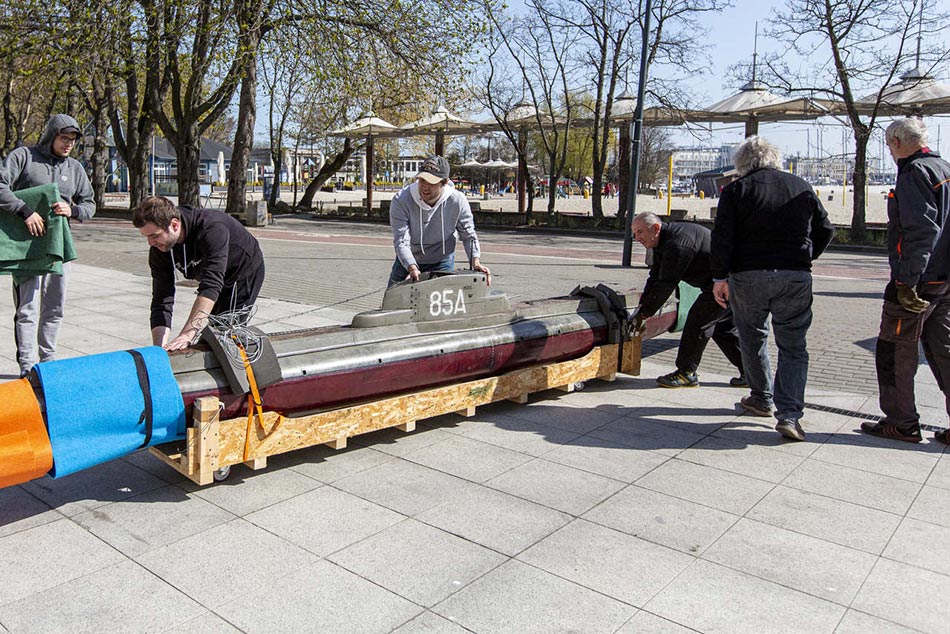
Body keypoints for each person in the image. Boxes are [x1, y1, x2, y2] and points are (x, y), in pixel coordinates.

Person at [711, 135, 834, 442]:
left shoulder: (736, 190)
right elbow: (826, 229)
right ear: (775, 159)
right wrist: (806, 256)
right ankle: (790, 415)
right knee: (793, 346)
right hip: (794, 275)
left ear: (741, 163)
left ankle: (761, 397)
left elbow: (722, 237)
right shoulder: (801, 186)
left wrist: (719, 277)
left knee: (752, 338)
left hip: (748, 274)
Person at [861, 118, 950, 445]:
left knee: (894, 350)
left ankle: (901, 422)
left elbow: (921, 231)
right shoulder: (944, 168)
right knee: (944, 351)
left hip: (919, 281)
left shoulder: (914, 173)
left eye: (888, 146)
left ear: (896, 143)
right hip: (944, 281)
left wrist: (906, 281)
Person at [0, 114, 95, 377]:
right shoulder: (24, 157)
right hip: (25, 248)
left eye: (73, 140)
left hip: (59, 247)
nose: (68, 145)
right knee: (27, 308)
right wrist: (25, 211)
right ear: (51, 135)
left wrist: (74, 210)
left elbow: (90, 203)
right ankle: (27, 368)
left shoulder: (75, 168)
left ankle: (49, 362)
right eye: (64, 138)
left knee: (55, 306)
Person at [132, 196, 265, 351]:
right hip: (212, 275)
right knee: (213, 328)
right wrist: (159, 349)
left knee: (224, 332)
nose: (150, 243)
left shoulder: (212, 229)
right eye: (146, 236)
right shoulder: (160, 247)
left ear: (174, 225)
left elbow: (211, 286)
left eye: (154, 235)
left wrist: (186, 335)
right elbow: (161, 299)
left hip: (242, 272)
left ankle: (243, 367)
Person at [631, 212, 745, 388]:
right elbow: (655, 277)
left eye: (640, 232)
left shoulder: (677, 245)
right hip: (723, 283)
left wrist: (645, 314)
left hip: (726, 285)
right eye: (634, 233)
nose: (636, 238)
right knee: (724, 329)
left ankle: (686, 373)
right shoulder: (664, 240)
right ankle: (751, 373)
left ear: (655, 228)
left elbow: (666, 284)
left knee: (697, 321)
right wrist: (641, 308)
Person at [388, 155, 489, 287]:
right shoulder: (401, 200)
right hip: (408, 259)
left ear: (445, 182)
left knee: (442, 304)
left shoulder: (457, 200)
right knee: (393, 299)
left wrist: (475, 261)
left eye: (432, 182)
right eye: (422, 180)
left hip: (442, 259)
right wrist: (411, 267)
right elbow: (401, 240)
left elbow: (468, 235)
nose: (425, 187)